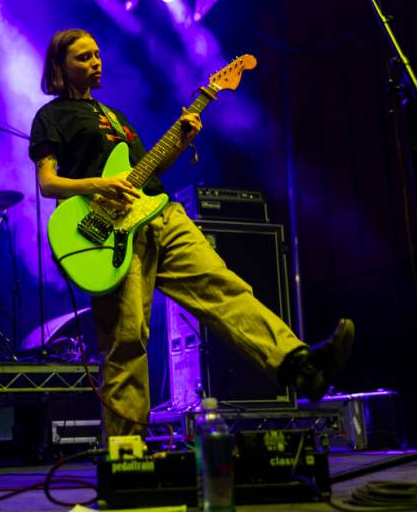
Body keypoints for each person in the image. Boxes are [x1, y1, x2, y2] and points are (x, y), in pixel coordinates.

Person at [28, 28, 355, 437]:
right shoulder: (50, 116)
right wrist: (98, 185)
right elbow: (48, 183)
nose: (96, 62)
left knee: (224, 287)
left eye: (97, 54)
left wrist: (180, 142)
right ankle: (127, 452)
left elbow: (145, 171)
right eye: (83, 58)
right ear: (59, 67)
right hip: (109, 233)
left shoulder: (115, 117)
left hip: (162, 215)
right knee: (128, 338)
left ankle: (300, 366)